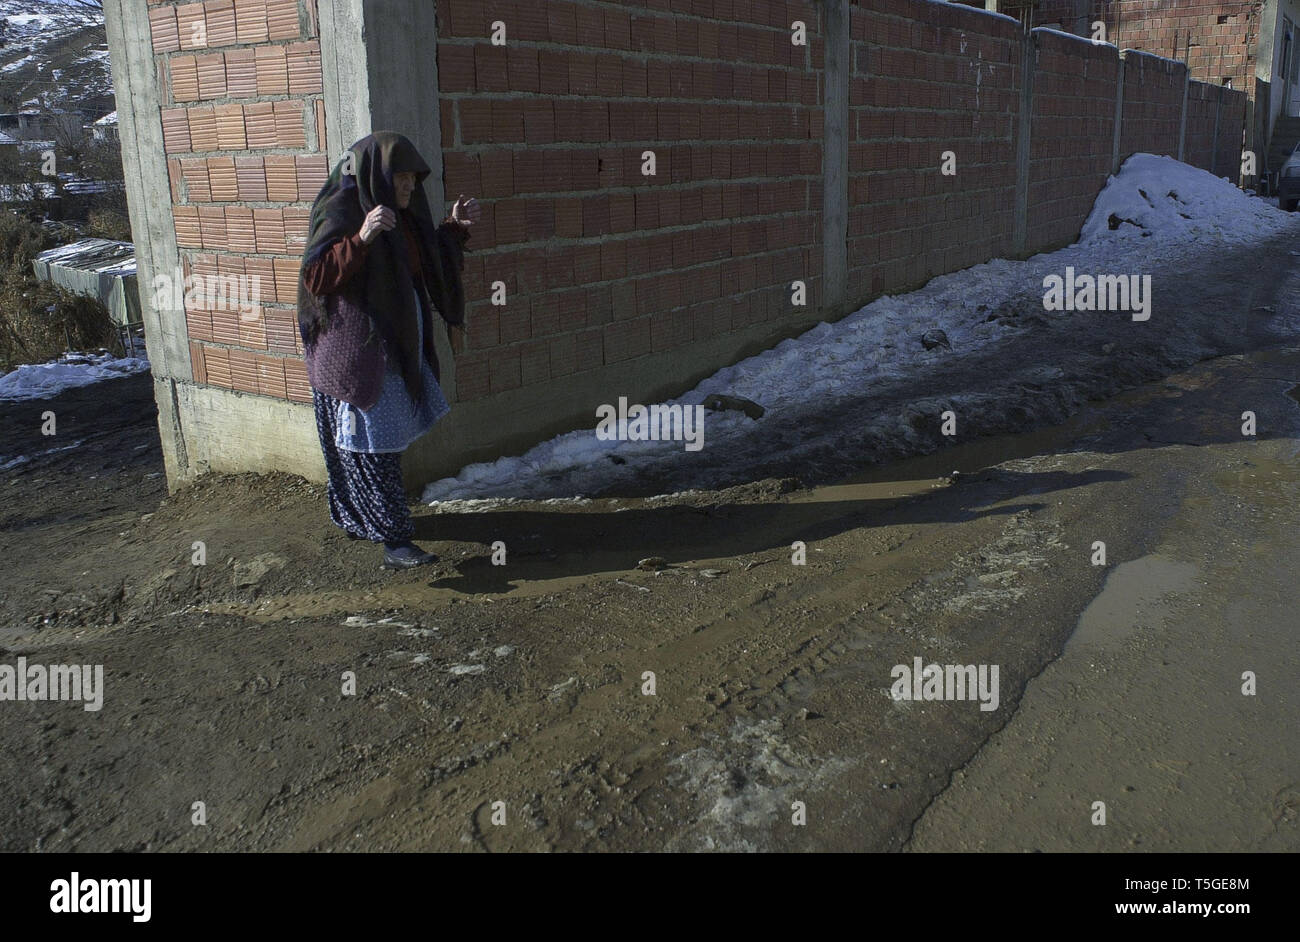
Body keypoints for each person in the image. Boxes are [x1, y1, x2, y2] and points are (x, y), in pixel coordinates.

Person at [297, 131, 480, 569]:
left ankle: (358, 519)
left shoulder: (401, 216)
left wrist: (453, 229)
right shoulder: (343, 208)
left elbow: (426, 261)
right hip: (354, 358)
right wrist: (360, 238)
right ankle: (395, 542)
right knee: (371, 446)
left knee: (372, 446)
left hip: (391, 350)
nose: (407, 187)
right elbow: (316, 278)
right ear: (375, 174)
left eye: (413, 179)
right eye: (400, 177)